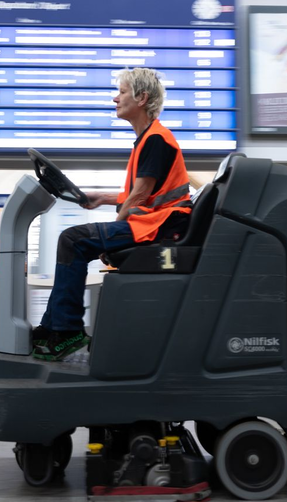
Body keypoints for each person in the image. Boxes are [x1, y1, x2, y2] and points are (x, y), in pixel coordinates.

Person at [32, 68, 192, 361]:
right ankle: (51, 327)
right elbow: (142, 195)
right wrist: (102, 198)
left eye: (121, 92)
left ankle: (66, 332)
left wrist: (109, 240)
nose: (115, 98)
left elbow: (140, 196)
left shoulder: (157, 139)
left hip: (160, 226)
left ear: (141, 98)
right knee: (74, 240)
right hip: (154, 222)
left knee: (74, 240)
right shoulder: (149, 138)